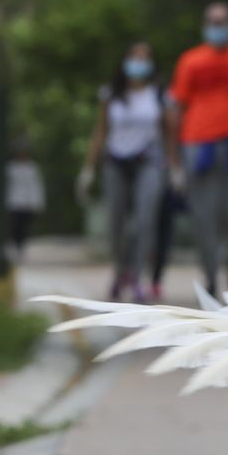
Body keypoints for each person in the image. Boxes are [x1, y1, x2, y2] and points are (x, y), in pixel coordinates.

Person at [168, 2, 228, 295]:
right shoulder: (190, 61)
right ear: (204, 25)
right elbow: (177, 107)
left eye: (222, 21)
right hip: (198, 144)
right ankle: (210, 273)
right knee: (203, 215)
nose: (217, 27)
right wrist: (173, 158)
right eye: (212, 22)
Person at [80, 42, 168, 301]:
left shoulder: (159, 94)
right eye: (134, 57)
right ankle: (120, 272)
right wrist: (88, 168)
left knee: (143, 221)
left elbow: (170, 132)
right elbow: (100, 131)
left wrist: (175, 166)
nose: (138, 63)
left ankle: (138, 276)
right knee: (115, 223)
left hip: (149, 162)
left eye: (144, 58)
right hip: (115, 162)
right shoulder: (111, 95)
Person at [4, 139, 44, 260]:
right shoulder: (11, 167)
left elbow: (36, 186)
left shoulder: (32, 168)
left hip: (27, 202)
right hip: (14, 202)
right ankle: (15, 246)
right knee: (15, 225)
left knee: (24, 226)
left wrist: (38, 202)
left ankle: (21, 247)